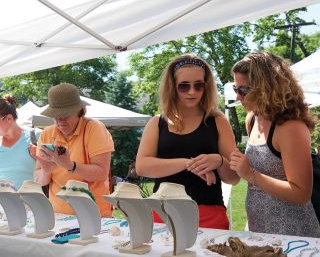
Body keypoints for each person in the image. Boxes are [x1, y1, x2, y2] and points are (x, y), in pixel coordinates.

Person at [136, 54, 240, 229]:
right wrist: (189, 163)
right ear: (172, 87)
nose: (192, 92)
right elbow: (142, 167)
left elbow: (234, 178)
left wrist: (219, 161)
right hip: (163, 213)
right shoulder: (157, 123)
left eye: (198, 85)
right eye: (184, 86)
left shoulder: (218, 121)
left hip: (208, 215)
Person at [230, 51, 320, 237]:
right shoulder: (253, 119)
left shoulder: (290, 127)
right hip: (259, 228)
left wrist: (250, 174)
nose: (238, 97)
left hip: (292, 234)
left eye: (243, 90)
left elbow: (301, 193)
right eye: (235, 89)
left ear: (266, 88)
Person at [34, 83, 115, 217]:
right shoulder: (47, 133)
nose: (60, 120)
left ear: (79, 111)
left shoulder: (94, 128)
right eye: (55, 115)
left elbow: (101, 173)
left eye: (65, 114)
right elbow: (39, 180)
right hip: (59, 214)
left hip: (94, 214)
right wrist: (46, 172)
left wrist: (69, 165)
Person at [0, 95, 40, 190]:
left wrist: (39, 158)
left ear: (9, 118)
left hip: (29, 202)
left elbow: (50, 172)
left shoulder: (36, 136)